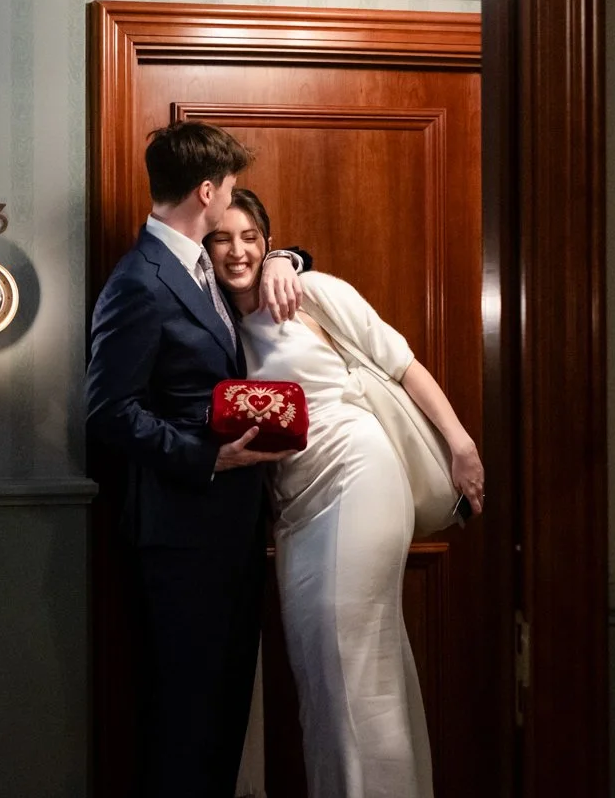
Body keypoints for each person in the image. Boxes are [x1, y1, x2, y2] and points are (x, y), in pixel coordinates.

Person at [205, 188, 485, 798]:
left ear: (269, 242)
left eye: (251, 238)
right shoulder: (213, 321)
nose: (238, 251)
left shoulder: (313, 291)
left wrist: (460, 445)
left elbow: (403, 364)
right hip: (295, 509)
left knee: (347, 658)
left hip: (360, 473)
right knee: (326, 671)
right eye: (223, 238)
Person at [85, 121, 310, 798]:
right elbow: (108, 411)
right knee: (186, 722)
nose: (233, 200)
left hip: (228, 534)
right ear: (208, 190)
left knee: (219, 717)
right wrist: (210, 459)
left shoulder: (195, 265)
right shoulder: (141, 281)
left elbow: (263, 259)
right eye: (231, 189)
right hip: (182, 537)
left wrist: (286, 257)